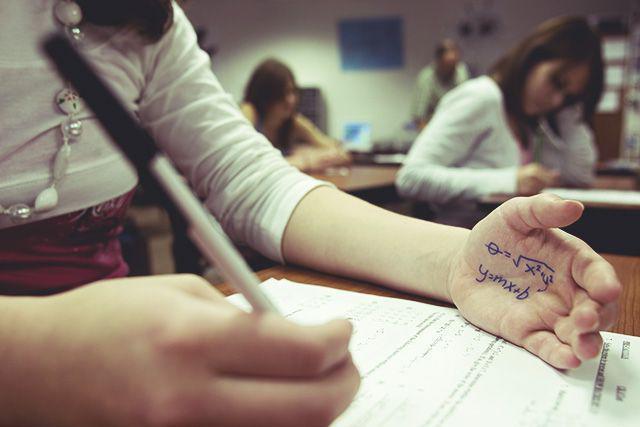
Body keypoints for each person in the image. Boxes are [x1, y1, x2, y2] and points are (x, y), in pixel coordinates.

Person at [0, 2, 620, 426]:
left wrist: (455, 260)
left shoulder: (146, 19)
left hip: (128, 362)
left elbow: (249, 179)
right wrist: (33, 357)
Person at [397, 16, 603, 228]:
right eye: (557, 82)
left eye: (569, 97)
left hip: (506, 247)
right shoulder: (482, 97)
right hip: (460, 240)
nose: (556, 100)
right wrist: (510, 180)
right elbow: (411, 177)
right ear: (533, 58)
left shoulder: (529, 119)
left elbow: (580, 176)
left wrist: (570, 111)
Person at [240, 58, 351, 172]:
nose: (291, 100)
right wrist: (303, 161)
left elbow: (337, 151)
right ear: (265, 95)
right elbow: (244, 162)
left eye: (292, 91)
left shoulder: (293, 122)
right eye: (281, 93)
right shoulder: (249, 111)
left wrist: (316, 154)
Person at [411, 38, 470, 131]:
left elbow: (466, 104)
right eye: (448, 64)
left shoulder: (460, 71)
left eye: (455, 64)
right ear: (439, 61)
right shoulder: (427, 77)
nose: (452, 68)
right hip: (433, 125)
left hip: (457, 124)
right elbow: (418, 116)